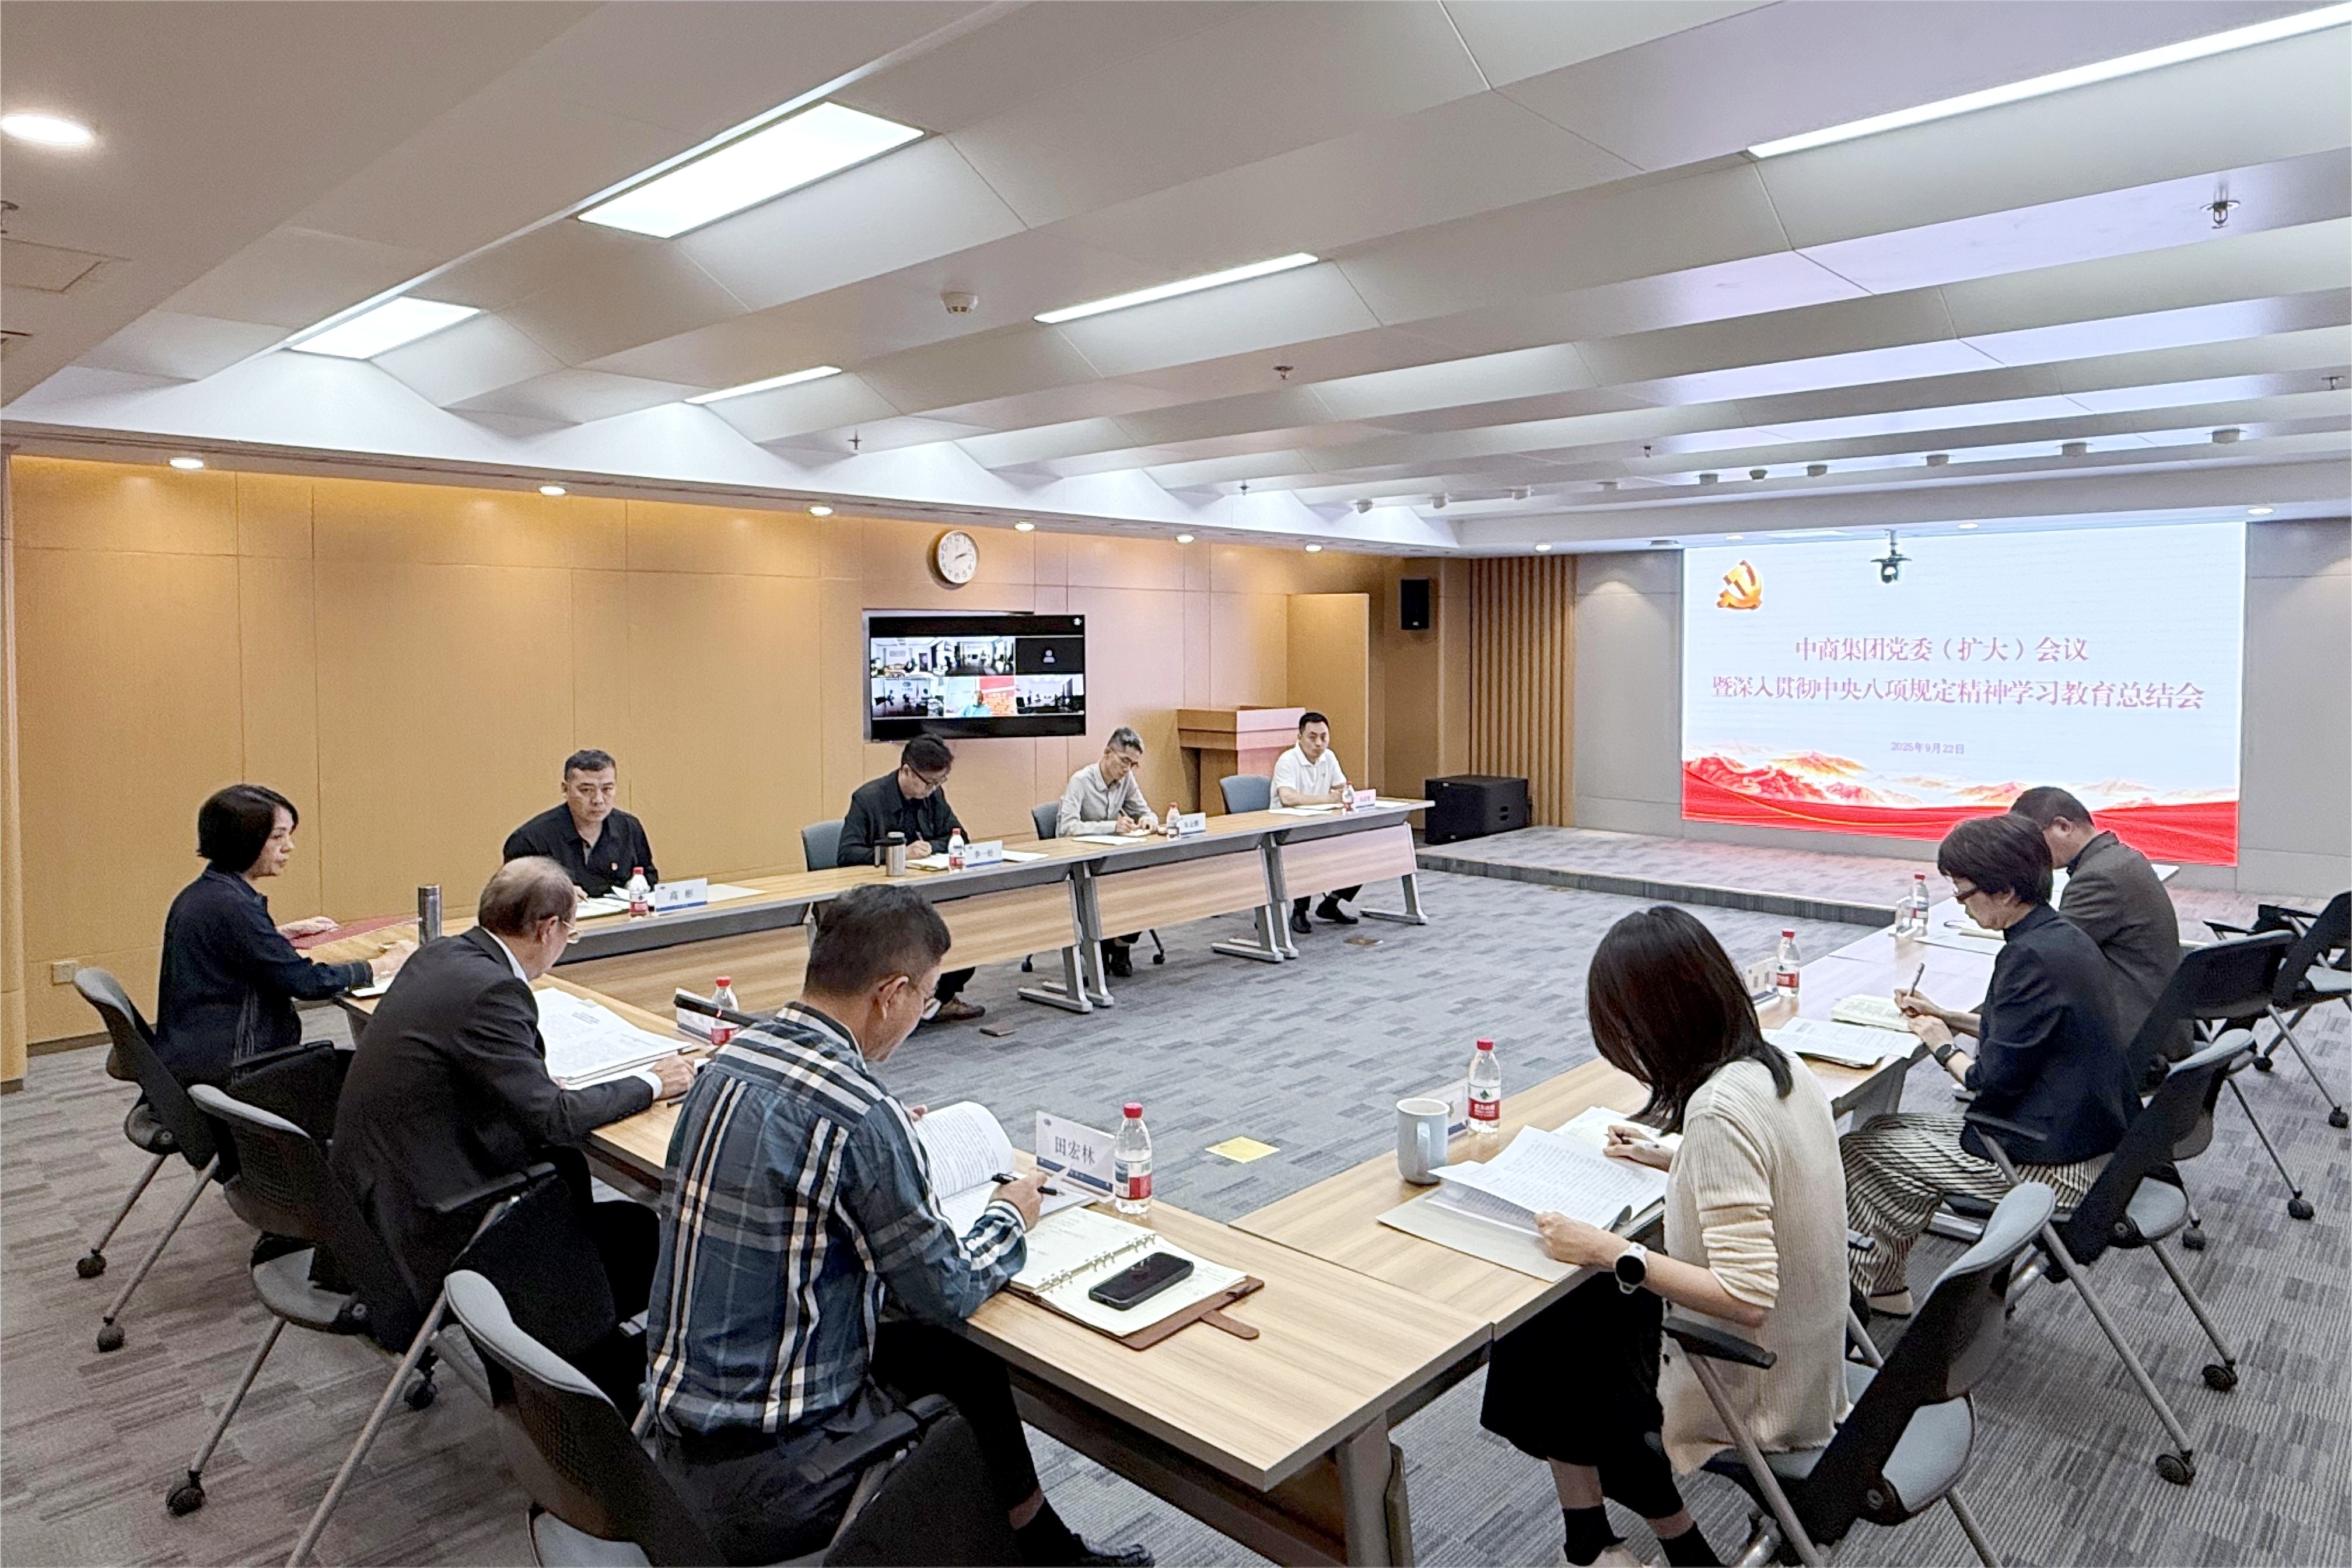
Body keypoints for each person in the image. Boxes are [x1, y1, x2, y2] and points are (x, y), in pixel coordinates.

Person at [643, 886, 1150, 1568]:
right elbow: (948, 1288)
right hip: (774, 1475)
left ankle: (1048, 1550)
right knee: (955, 1381)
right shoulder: (857, 1111)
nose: (923, 1015)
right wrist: (1010, 1214)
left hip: (675, 1441)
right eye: (928, 998)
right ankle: (1035, 1556)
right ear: (891, 994)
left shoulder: (730, 1061)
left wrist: (886, 1148)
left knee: (956, 1359)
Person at [1491, 906, 1847, 1567]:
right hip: (1810, 1354)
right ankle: (1595, 1540)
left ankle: (1657, 1544)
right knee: (1571, 1318)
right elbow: (1772, 1173)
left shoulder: (1716, 1111)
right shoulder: (1778, 1067)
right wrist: (1669, 1155)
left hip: (1757, 1383)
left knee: (1543, 1337)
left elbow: (1746, 1298)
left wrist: (1607, 1249)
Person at [332, 858, 695, 1363]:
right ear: (548, 929)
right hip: (431, 1216)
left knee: (566, 1170)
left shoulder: (441, 954)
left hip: (373, 1195)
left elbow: (466, 1068)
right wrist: (654, 1082)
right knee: (639, 1233)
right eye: (569, 934)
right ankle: (583, 1365)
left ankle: (568, 1343)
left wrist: (530, 1082)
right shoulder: (494, 990)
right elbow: (553, 1119)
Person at [1845, 812, 2138, 1315]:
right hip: (2093, 1141)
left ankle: (1861, 1299)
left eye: (1964, 894)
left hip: (2053, 1167)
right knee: (1886, 1133)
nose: (1962, 903)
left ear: (2004, 892)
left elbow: (1988, 1082)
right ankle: (1885, 1286)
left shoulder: (2027, 958)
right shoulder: (2064, 938)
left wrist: (1941, 1044)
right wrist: (1950, 1017)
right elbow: (2035, 1036)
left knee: (1863, 1150)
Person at [154, 784, 412, 1090]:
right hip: (238, 1072)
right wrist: (384, 965)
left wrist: (275, 936)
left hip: (203, 1058)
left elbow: (228, 951)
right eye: (277, 837)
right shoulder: (232, 906)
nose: (289, 847)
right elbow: (307, 983)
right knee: (385, 1081)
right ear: (243, 840)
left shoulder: (206, 893)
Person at [2010, 785, 2187, 1072]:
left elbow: (2046, 954)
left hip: (2137, 1039)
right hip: (2159, 1017)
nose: (2030, 854)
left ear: (2063, 827)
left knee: (2018, 1018)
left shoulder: (2099, 878)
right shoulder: (2120, 858)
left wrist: (2009, 905)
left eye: (2032, 843)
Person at [838, 734, 982, 1023]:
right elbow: (848, 854)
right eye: (928, 783)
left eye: (939, 783)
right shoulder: (868, 799)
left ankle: (939, 999)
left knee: (963, 929)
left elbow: (958, 838)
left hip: (928, 892)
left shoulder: (934, 797)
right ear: (906, 771)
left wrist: (931, 847)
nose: (933, 790)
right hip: (883, 898)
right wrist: (900, 854)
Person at [1058, 727, 1159, 978]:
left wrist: (1148, 820)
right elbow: (1066, 828)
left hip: (1112, 862)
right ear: (1107, 753)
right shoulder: (1081, 781)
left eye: (1134, 764)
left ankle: (1120, 945)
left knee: (1142, 891)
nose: (1127, 769)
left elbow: (1145, 811)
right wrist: (1111, 827)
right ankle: (1099, 947)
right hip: (1082, 865)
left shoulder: (1127, 780)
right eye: (1124, 761)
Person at [502, 748, 658, 898]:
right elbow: (514, 897)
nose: (598, 800)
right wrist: (556, 895)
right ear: (565, 790)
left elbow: (649, 877)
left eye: (607, 789)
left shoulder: (629, 827)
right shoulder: (530, 839)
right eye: (586, 790)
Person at [1271, 711, 1359, 935]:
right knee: (1308, 852)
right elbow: (1288, 798)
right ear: (1299, 737)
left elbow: (1342, 789)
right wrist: (1328, 799)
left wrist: (1344, 795)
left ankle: (1331, 903)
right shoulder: (1288, 761)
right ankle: (1299, 912)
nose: (1319, 743)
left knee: (1359, 849)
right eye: (1312, 737)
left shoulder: (1329, 757)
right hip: (1285, 829)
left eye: (1323, 737)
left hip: (1319, 825)